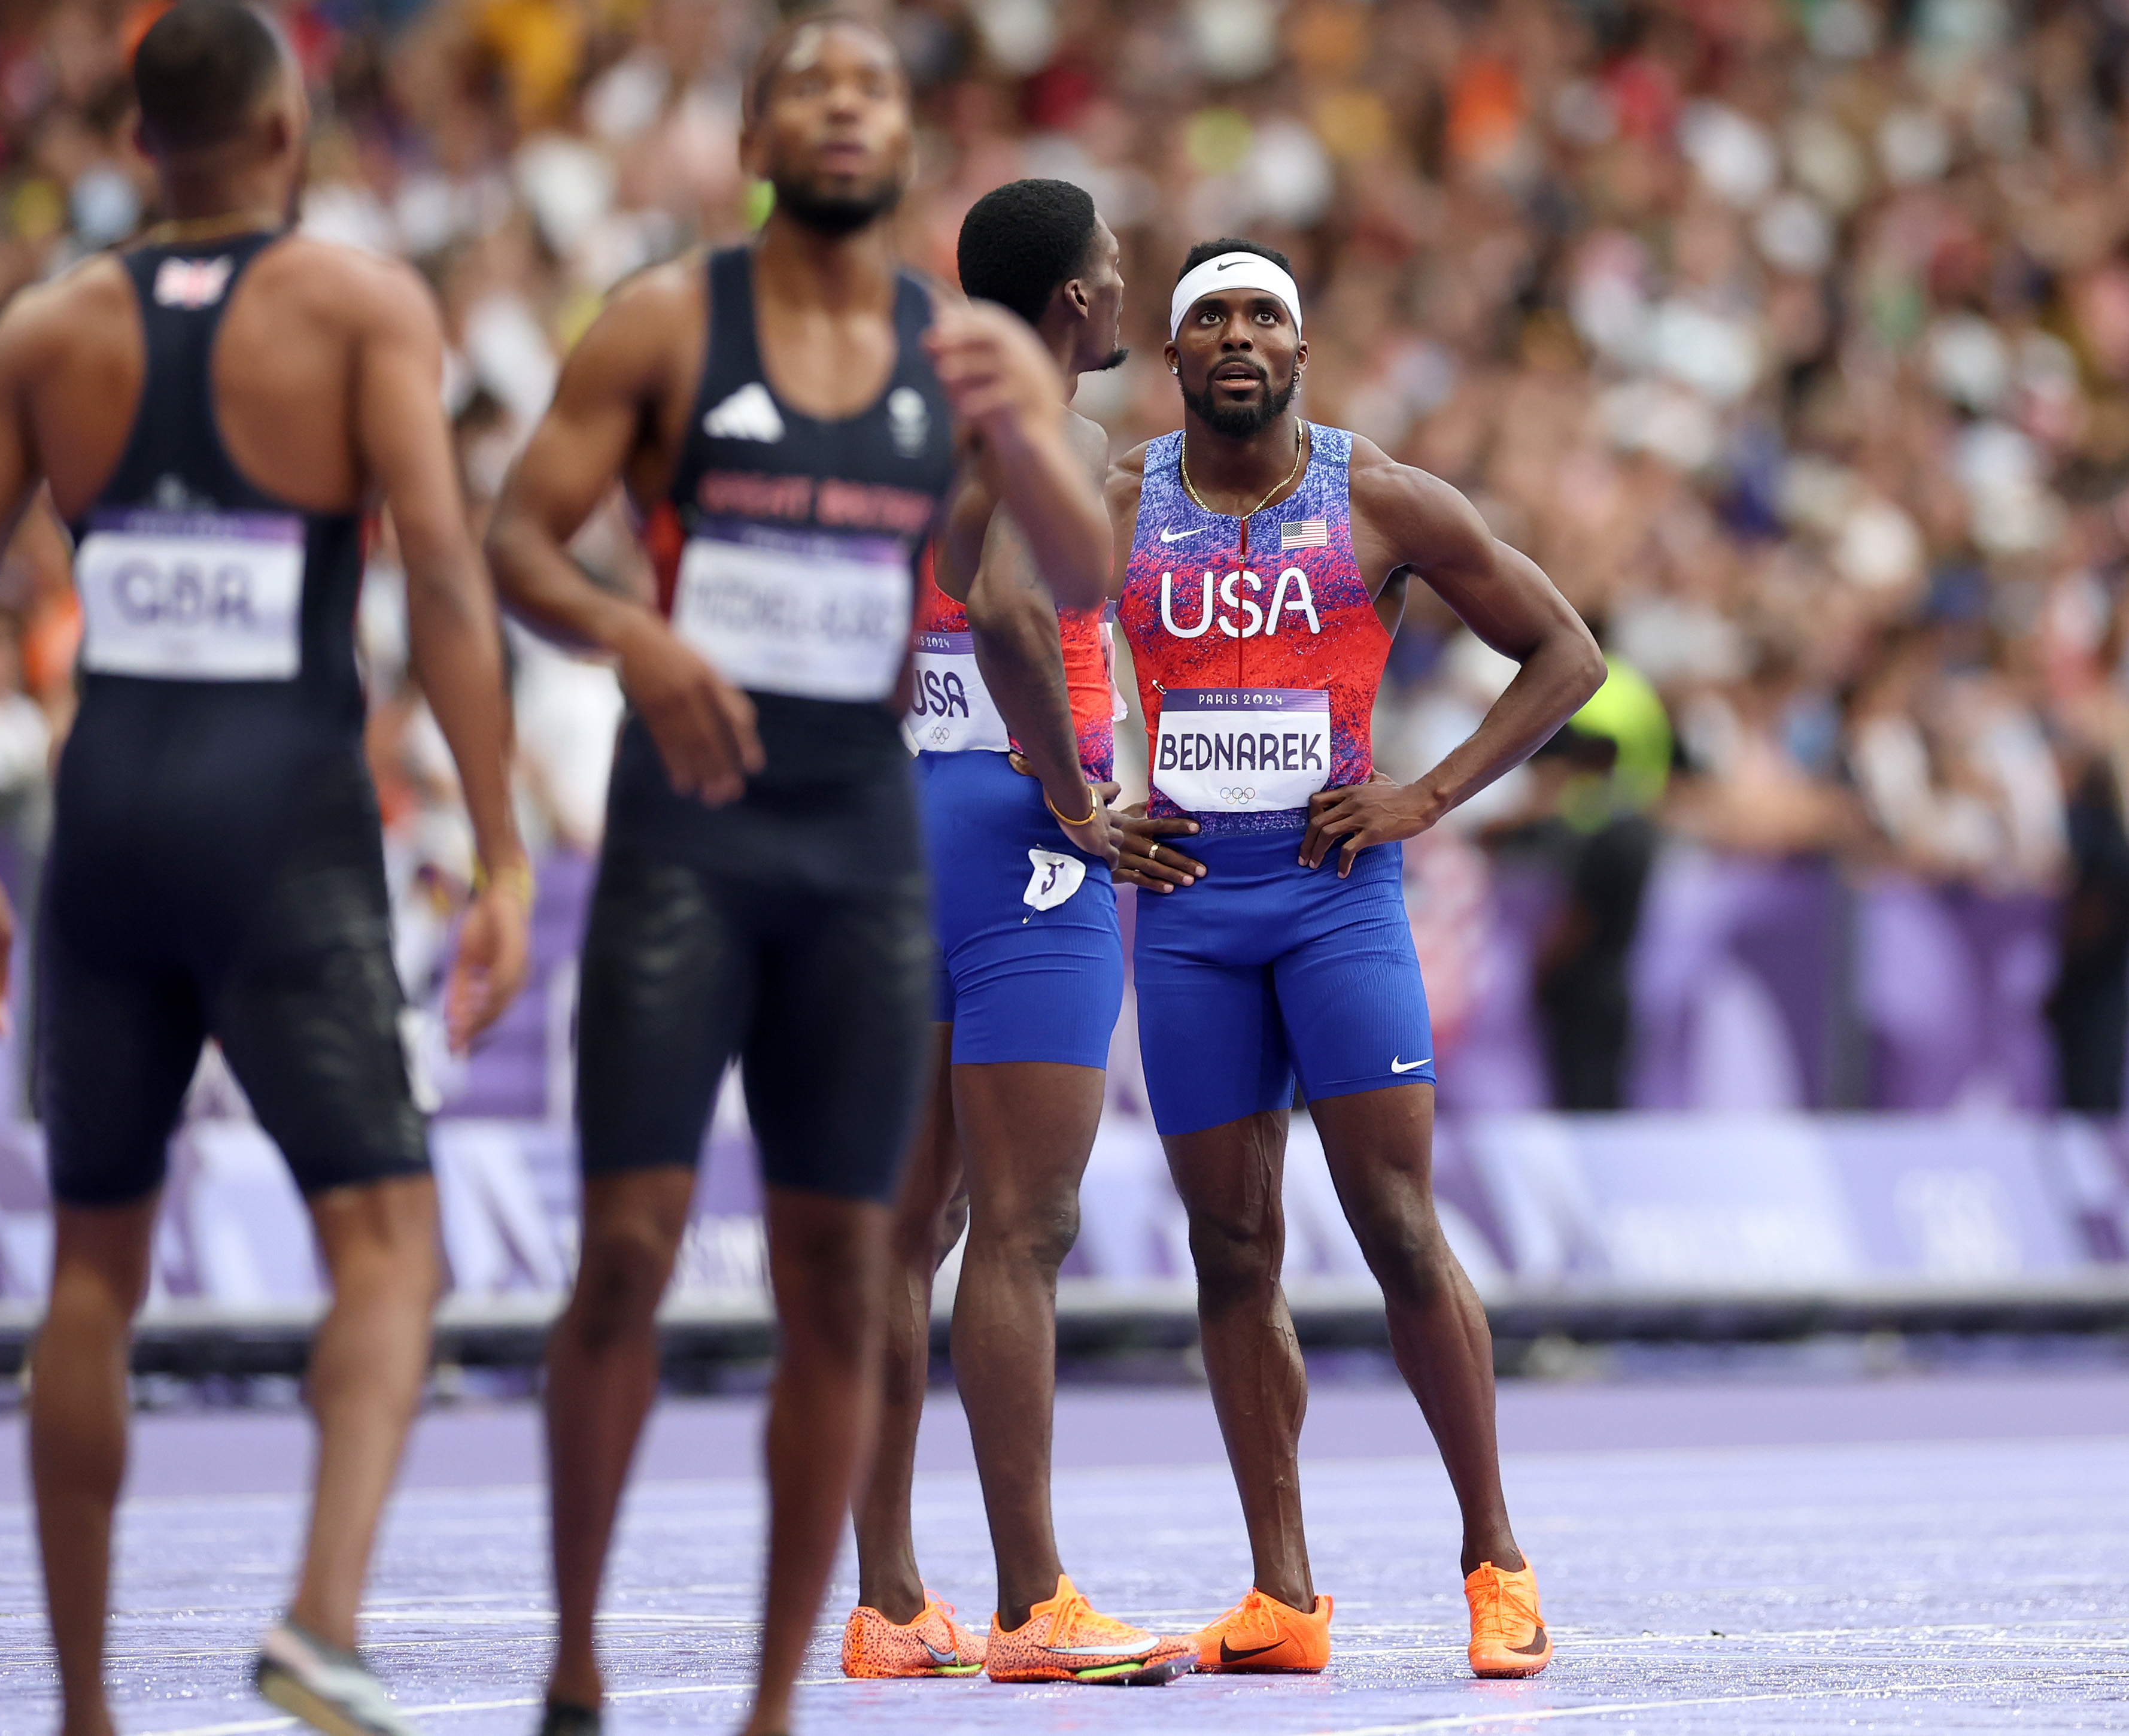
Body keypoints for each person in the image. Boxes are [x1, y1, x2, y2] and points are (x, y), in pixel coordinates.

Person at [0, 7, 531, 1734]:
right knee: (389, 1246)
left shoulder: (46, 330)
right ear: (281, 130)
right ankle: (320, 1618)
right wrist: (498, 844)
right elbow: (448, 591)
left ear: (134, 141)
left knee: (89, 1269)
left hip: (100, 822)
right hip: (284, 828)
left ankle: (87, 1707)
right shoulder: (353, 307)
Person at [482, 17, 1111, 1735]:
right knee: (626, 1247)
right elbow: (514, 538)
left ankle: (782, 1692)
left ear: (903, 136)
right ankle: (574, 1658)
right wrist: (632, 636)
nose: (843, 107)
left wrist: (1028, 425)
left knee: (849, 1266)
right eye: (809, 86)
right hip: (690, 831)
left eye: (874, 87)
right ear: (757, 129)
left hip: (858, 845)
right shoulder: (667, 323)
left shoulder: (956, 350)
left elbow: (1072, 569)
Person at [1110, 239, 1603, 1679]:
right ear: (1177, 355)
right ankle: (1283, 1594)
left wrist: (1425, 796)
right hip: (1191, 907)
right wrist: (1082, 788)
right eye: (1212, 318)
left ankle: (1496, 1559)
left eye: (1266, 315)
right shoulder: (1113, 497)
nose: (1240, 337)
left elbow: (1566, 652)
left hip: (1336, 898)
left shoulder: (1377, 496)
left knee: (1395, 1222)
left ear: (1303, 352)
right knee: (1229, 1246)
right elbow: (993, 616)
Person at [840, 177, 1186, 1688]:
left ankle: (886, 1600)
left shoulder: (893, 420)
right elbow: (1000, 610)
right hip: (1014, 837)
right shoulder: (1061, 424)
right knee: (1021, 1233)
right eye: (1115, 273)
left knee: (901, 1234)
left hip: (893, 820)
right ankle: (1035, 1603)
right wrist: (1072, 788)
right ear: (1073, 307)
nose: (1126, 293)